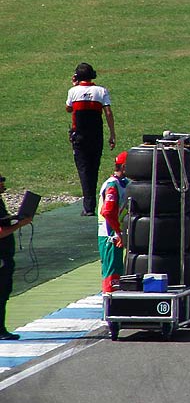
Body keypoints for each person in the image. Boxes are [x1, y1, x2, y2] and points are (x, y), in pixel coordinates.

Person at [65, 62, 115, 216]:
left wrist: (75, 85)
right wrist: (112, 134)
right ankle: (90, 203)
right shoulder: (101, 91)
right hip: (96, 135)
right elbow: (108, 113)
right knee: (94, 168)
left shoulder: (73, 91)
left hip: (79, 137)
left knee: (83, 169)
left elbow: (68, 108)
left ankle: (88, 206)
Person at [0, 174, 34, 339]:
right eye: (1, 182)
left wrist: (13, 218)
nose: (3, 184)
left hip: (5, 256)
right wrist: (20, 224)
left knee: (4, 293)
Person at [98, 153, 129, 294]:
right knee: (112, 274)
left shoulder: (124, 182)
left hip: (116, 233)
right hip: (110, 235)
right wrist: (118, 232)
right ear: (124, 166)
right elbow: (108, 212)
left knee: (117, 272)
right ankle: (109, 305)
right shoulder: (112, 185)